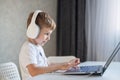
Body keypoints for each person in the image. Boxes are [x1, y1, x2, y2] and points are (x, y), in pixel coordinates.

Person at [19, 10, 80, 80]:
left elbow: (47, 65)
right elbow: (34, 71)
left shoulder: (38, 47)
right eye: (46, 34)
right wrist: (59, 67)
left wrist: (67, 64)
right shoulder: (28, 48)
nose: (49, 38)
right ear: (34, 31)